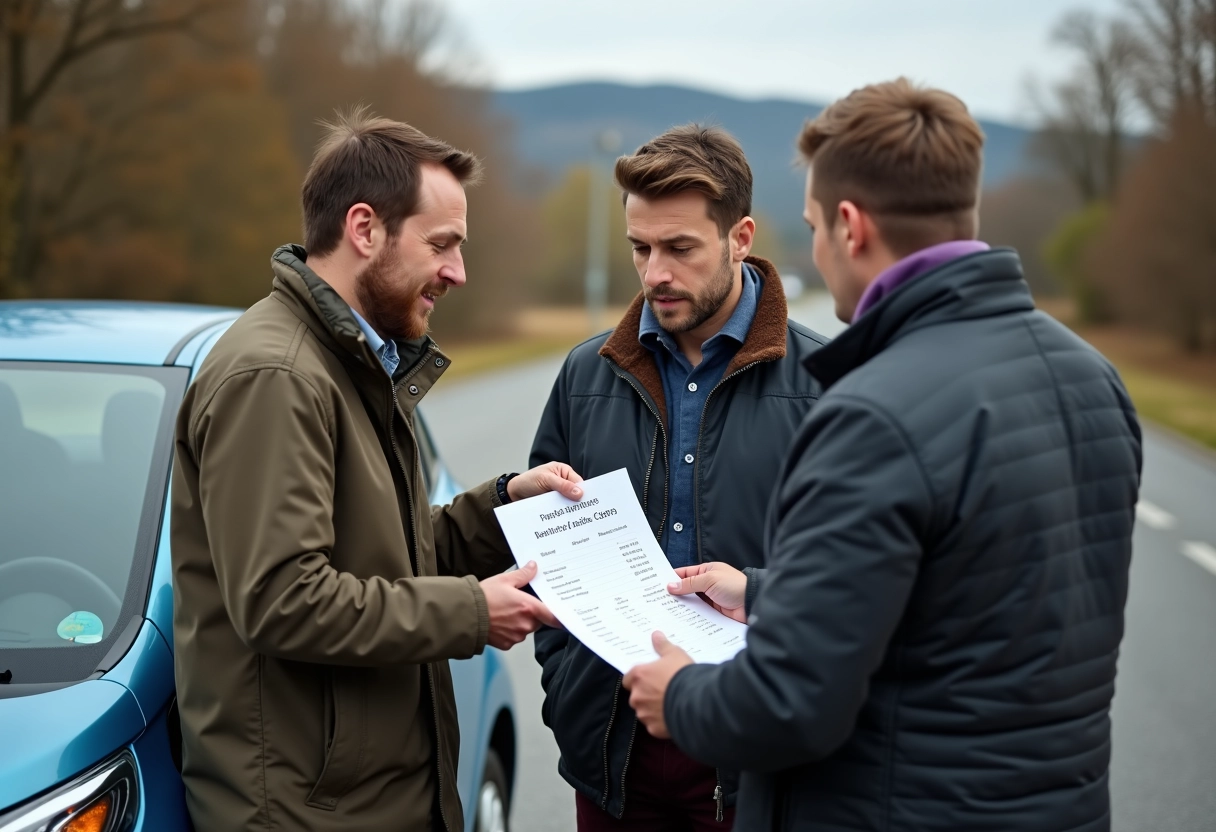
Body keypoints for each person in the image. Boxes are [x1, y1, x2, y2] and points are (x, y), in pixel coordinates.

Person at [623, 79, 1142, 831]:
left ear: (850, 225)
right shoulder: (1091, 376)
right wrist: (767, 593)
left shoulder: (874, 411)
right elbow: (963, 596)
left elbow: (789, 705)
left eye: (811, 228)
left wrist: (678, 697)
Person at [171, 109, 582, 832]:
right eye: (442, 245)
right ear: (364, 230)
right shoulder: (278, 375)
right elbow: (283, 597)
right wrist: (472, 612)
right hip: (303, 813)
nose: (459, 271)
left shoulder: (349, 362)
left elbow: (378, 549)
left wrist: (506, 504)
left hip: (359, 802)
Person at [528, 124, 829, 829]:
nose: (655, 271)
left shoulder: (824, 385)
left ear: (741, 237)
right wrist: (567, 686)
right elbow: (546, 556)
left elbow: (848, 583)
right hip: (612, 758)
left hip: (759, 765)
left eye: (680, 248)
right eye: (641, 248)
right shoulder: (584, 374)